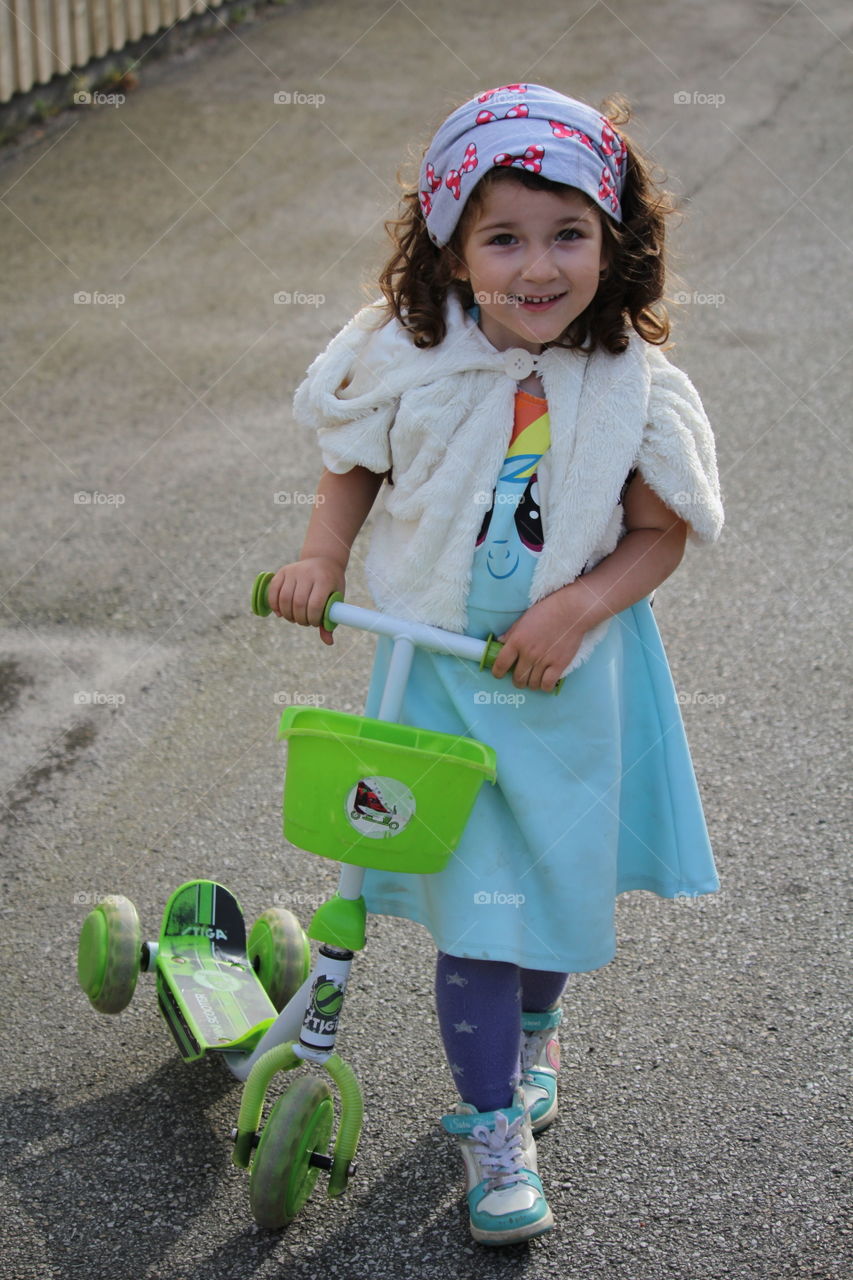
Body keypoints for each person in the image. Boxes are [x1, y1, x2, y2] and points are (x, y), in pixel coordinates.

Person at [267, 83, 723, 1247]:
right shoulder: (410, 357)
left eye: (567, 234)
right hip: (435, 687)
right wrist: (323, 553)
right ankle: (488, 1126)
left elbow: (660, 529)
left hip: (563, 688)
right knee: (478, 918)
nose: (538, 265)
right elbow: (350, 462)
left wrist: (579, 605)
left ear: (612, 242)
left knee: (546, 911)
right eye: (503, 237)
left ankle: (532, 1036)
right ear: (452, 250)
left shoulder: (630, 385)